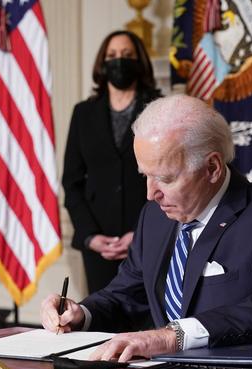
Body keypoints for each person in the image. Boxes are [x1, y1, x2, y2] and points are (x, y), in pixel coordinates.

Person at [42, 94, 252, 362]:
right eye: (145, 176)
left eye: (165, 178)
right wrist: (81, 313)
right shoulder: (154, 216)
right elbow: (125, 296)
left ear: (212, 168)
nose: (151, 194)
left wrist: (173, 336)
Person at [62, 30, 161, 293]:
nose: (120, 61)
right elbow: (71, 183)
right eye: (113, 55)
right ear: (102, 63)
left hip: (147, 237)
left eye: (127, 55)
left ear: (139, 62)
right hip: (99, 243)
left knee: (146, 324)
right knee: (101, 320)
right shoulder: (83, 113)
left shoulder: (159, 109)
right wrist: (89, 236)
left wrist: (140, 234)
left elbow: (169, 177)